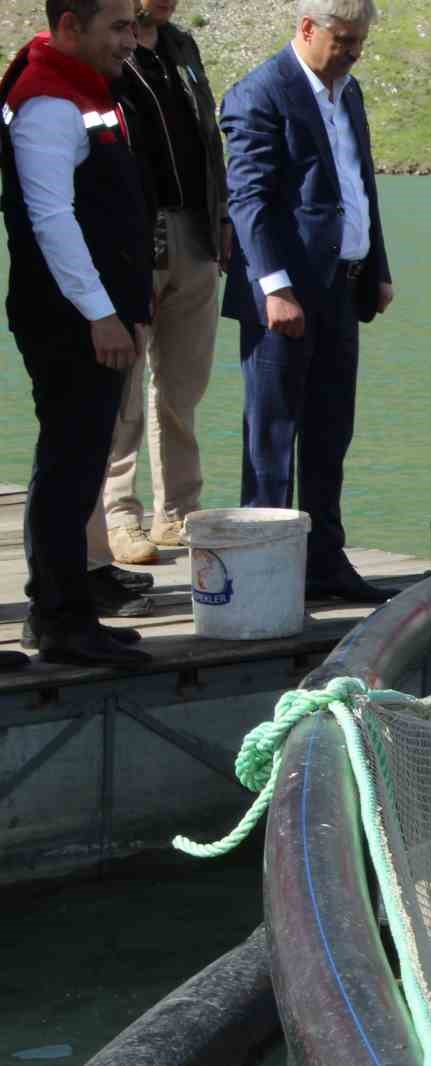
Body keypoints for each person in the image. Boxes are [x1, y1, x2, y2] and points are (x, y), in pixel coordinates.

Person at [220, 0, 396, 603]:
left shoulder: (349, 93)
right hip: (284, 297)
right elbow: (247, 200)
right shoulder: (258, 94)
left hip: (343, 287)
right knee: (272, 435)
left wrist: (378, 267)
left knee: (329, 430)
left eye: (360, 41)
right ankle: (265, 571)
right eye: (344, 40)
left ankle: (323, 561)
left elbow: (359, 183)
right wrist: (273, 287)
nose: (352, 51)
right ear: (306, 29)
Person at [1, 0, 154, 667]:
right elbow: (51, 221)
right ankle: (60, 619)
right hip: (68, 318)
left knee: (81, 457)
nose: (131, 40)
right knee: (69, 461)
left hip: (94, 312)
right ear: (70, 28)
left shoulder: (89, 90)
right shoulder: (49, 104)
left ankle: (65, 608)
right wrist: (100, 312)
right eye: (118, 28)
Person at [96, 0, 227, 565]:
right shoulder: (110, 51)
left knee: (183, 382)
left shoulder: (181, 46)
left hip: (195, 232)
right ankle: (119, 514)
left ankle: (177, 512)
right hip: (136, 235)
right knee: (125, 388)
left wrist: (222, 216)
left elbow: (209, 137)